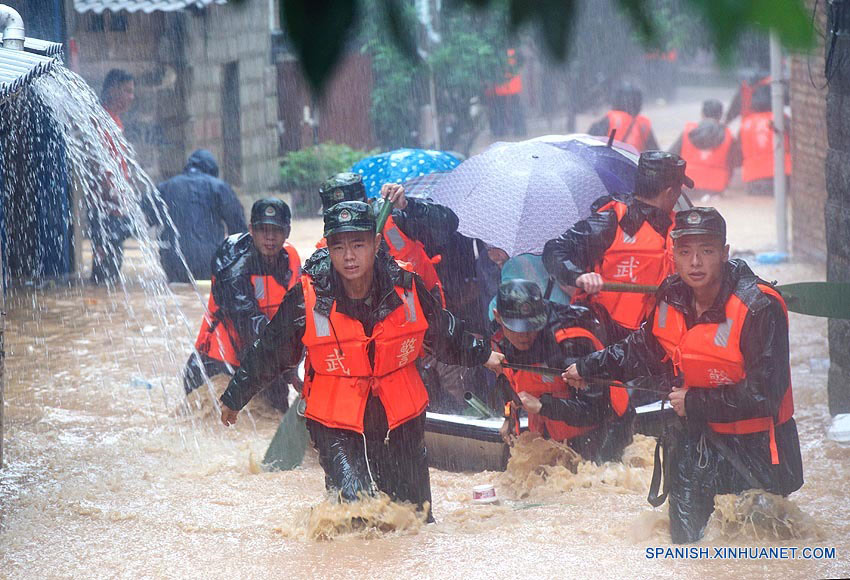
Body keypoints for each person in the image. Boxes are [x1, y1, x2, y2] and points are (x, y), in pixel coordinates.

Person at [218, 201, 503, 519]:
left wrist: (483, 354)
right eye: (338, 246)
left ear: (376, 243)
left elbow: (442, 330)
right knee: (356, 515)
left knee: (414, 517)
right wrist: (235, 397)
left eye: (358, 244)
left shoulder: (406, 286)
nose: (349, 256)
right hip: (337, 419)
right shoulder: (307, 295)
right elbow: (270, 351)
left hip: (399, 416)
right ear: (328, 247)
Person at [563, 207, 803, 544]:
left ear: (724, 253)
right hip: (695, 442)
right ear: (673, 254)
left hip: (758, 450)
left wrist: (695, 401)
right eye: (686, 251)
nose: (695, 262)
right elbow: (640, 348)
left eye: (706, 251)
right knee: (686, 548)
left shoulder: (760, 308)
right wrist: (588, 367)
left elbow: (765, 394)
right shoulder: (671, 295)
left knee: (756, 553)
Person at [542, 151, 693, 345]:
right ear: (670, 192)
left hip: (652, 335)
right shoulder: (610, 221)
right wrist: (578, 276)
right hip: (606, 333)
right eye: (679, 189)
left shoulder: (678, 228)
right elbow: (554, 249)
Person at [491, 280, 633, 463]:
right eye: (516, 328)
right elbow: (507, 381)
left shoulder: (571, 340)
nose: (524, 335)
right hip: (550, 426)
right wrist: (508, 415)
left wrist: (543, 406)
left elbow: (596, 410)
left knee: (593, 485)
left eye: (530, 327)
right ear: (498, 317)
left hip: (605, 426)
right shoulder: (498, 338)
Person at [185, 198, 300, 411]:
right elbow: (248, 322)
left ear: (288, 232)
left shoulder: (291, 258)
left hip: (267, 364)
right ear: (251, 231)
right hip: (216, 368)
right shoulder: (232, 264)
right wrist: (288, 359)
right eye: (262, 229)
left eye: (277, 230)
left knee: (274, 422)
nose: (270, 237)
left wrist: (296, 367)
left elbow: (300, 315)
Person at [317, 173, 458, 305]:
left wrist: (409, 206)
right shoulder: (325, 248)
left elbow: (448, 223)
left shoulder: (396, 217)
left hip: (425, 309)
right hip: (377, 319)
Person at [149, 149, 247, 282]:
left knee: (179, 295)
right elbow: (238, 229)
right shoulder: (219, 187)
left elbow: (142, 220)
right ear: (212, 170)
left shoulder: (165, 187)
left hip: (173, 262)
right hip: (209, 261)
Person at [88, 69, 136, 285]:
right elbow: (100, 166)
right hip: (105, 207)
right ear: (113, 89)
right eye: (127, 91)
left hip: (114, 207)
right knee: (105, 266)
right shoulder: (102, 121)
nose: (131, 97)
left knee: (113, 260)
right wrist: (115, 195)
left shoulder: (115, 120)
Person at [669, 99, 740, 199]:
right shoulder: (729, 136)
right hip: (715, 190)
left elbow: (670, 157)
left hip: (687, 187)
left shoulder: (687, 132)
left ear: (702, 114)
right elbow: (734, 163)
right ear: (720, 116)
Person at [738, 84, 792, 196]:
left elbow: (738, 154)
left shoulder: (745, 123)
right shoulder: (781, 118)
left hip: (754, 180)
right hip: (781, 176)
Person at [588, 82, 659, 152]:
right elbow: (656, 155)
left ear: (616, 100)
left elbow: (589, 145)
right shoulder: (644, 125)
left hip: (610, 162)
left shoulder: (608, 120)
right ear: (639, 102)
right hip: (633, 162)